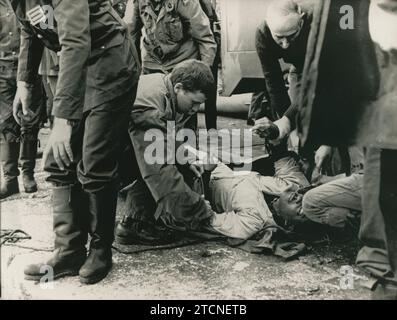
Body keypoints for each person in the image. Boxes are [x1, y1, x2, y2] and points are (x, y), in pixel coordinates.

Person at [13, 0, 141, 285]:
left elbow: (75, 41)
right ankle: (69, 251)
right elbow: (30, 26)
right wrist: (24, 82)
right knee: (59, 157)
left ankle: (100, 251)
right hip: (80, 63)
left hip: (111, 60)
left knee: (94, 160)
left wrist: (62, 121)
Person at [115, 59, 215, 245]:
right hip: (100, 163)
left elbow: (166, 135)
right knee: (162, 169)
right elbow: (158, 170)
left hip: (110, 151)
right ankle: (135, 224)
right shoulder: (150, 108)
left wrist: (185, 159)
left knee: (177, 162)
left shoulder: (162, 85)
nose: (195, 110)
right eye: (194, 102)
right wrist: (198, 209)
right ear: (179, 87)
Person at [124, 0, 218, 129]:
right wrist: (134, 76)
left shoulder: (185, 2)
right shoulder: (137, 2)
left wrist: (202, 75)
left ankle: (184, 145)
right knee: (150, 111)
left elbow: (205, 38)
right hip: (153, 60)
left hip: (182, 60)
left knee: (185, 110)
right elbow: (131, 35)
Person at [0, 0, 44, 200]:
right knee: (7, 123)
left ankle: (28, 173)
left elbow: (42, 31)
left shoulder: (30, 4)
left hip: (28, 69)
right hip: (3, 69)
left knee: (28, 121)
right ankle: (10, 179)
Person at [248, 0, 314, 127]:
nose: (285, 45)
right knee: (296, 119)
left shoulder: (315, 22)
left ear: (301, 20)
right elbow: (273, 82)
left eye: (291, 35)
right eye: (279, 37)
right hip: (299, 68)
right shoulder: (263, 34)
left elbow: (323, 79)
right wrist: (287, 124)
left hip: (325, 68)